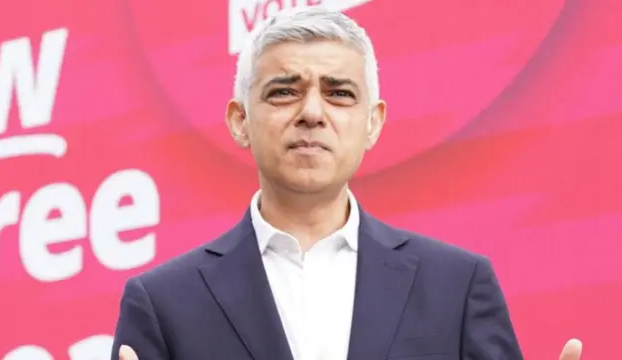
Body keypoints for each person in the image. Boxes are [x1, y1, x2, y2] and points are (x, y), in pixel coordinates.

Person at [111, 7, 583, 360]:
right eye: (283, 92)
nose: (312, 113)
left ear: (373, 123)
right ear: (240, 121)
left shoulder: (457, 288)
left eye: (339, 93)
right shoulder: (163, 303)